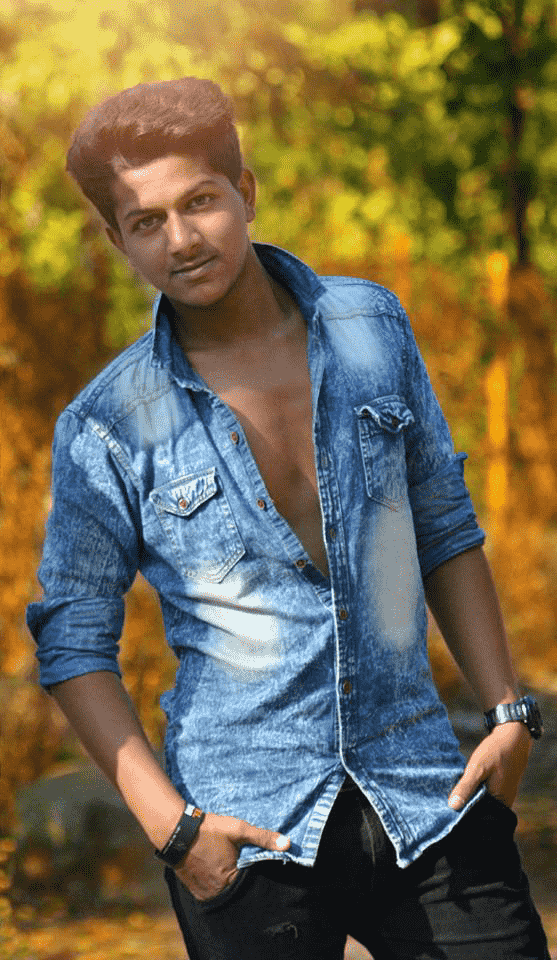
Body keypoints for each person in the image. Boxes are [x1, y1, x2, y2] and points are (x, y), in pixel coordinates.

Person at [27, 77, 549, 960]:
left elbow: (441, 524)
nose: (181, 240)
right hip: (244, 830)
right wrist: (174, 829)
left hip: (426, 790)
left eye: (199, 201)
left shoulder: (369, 326)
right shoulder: (108, 423)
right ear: (117, 240)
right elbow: (74, 639)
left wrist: (508, 715)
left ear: (246, 191)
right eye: (146, 222)